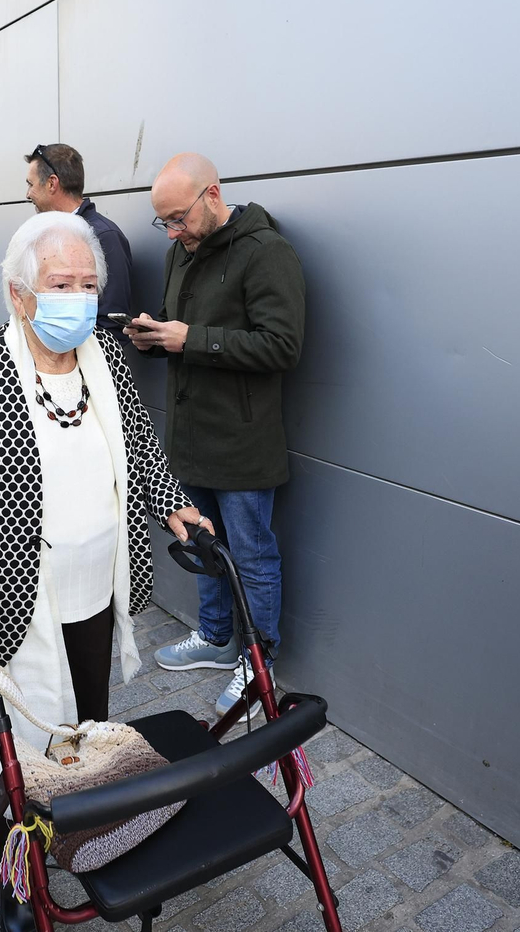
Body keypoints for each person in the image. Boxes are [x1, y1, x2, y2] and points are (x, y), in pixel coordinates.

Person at [0, 212, 211, 751]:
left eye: (88, 286)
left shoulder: (106, 359)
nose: (78, 299)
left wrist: (172, 502)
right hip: (12, 593)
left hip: (97, 586)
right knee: (24, 742)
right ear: (19, 293)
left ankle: (87, 797)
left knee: (90, 725)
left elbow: (139, 447)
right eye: (60, 285)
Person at [130, 153, 305, 718]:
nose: (172, 232)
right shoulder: (178, 253)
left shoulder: (266, 251)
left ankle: (258, 666)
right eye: (164, 222)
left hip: (243, 440)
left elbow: (282, 345)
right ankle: (214, 636)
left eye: (178, 218)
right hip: (189, 435)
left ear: (212, 194)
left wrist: (192, 339)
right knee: (201, 544)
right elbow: (179, 329)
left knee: (251, 556)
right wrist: (152, 338)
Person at [25, 143, 134, 332]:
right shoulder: (46, 235)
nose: (27, 194)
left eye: (30, 184)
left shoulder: (105, 236)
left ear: (52, 183)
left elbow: (113, 324)